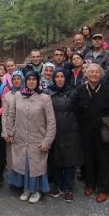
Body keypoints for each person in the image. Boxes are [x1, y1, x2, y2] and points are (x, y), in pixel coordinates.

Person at [74, 64, 109, 203]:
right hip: (86, 130)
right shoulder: (80, 90)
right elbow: (74, 109)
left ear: (101, 74)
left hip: (103, 130)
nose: (94, 74)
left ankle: (103, 189)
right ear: (86, 74)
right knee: (88, 158)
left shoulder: (106, 90)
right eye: (91, 72)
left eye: (97, 72)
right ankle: (90, 184)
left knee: (103, 159)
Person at [5, 71, 56, 204]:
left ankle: (36, 191)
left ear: (38, 81)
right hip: (21, 137)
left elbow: (51, 121)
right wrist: (10, 133)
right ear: (25, 81)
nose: (31, 81)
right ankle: (26, 189)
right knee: (23, 164)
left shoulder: (44, 98)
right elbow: (11, 115)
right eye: (29, 79)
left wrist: (47, 141)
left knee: (35, 166)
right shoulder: (18, 95)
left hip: (37, 139)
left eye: (34, 79)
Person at [44, 67, 82, 202]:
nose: (59, 79)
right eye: (57, 77)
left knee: (70, 160)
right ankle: (58, 184)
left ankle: (69, 187)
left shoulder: (73, 92)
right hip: (55, 130)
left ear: (66, 78)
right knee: (56, 159)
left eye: (62, 77)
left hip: (71, 130)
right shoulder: (48, 91)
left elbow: (79, 110)